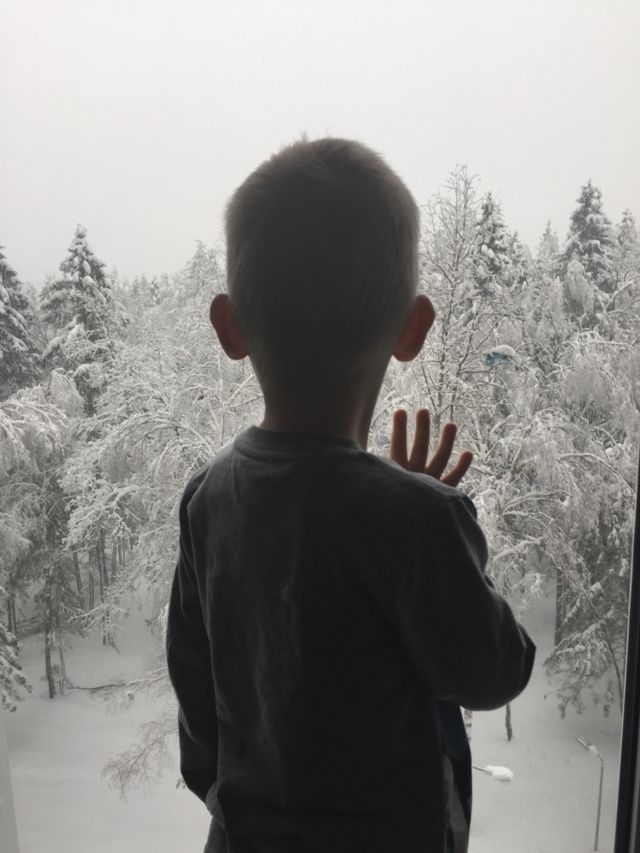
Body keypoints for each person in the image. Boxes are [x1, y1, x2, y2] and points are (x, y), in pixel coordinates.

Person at [166, 137, 536, 853]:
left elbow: (197, 704)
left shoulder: (206, 499)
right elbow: (494, 670)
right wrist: (434, 524)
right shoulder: (418, 519)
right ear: (413, 328)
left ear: (230, 326)